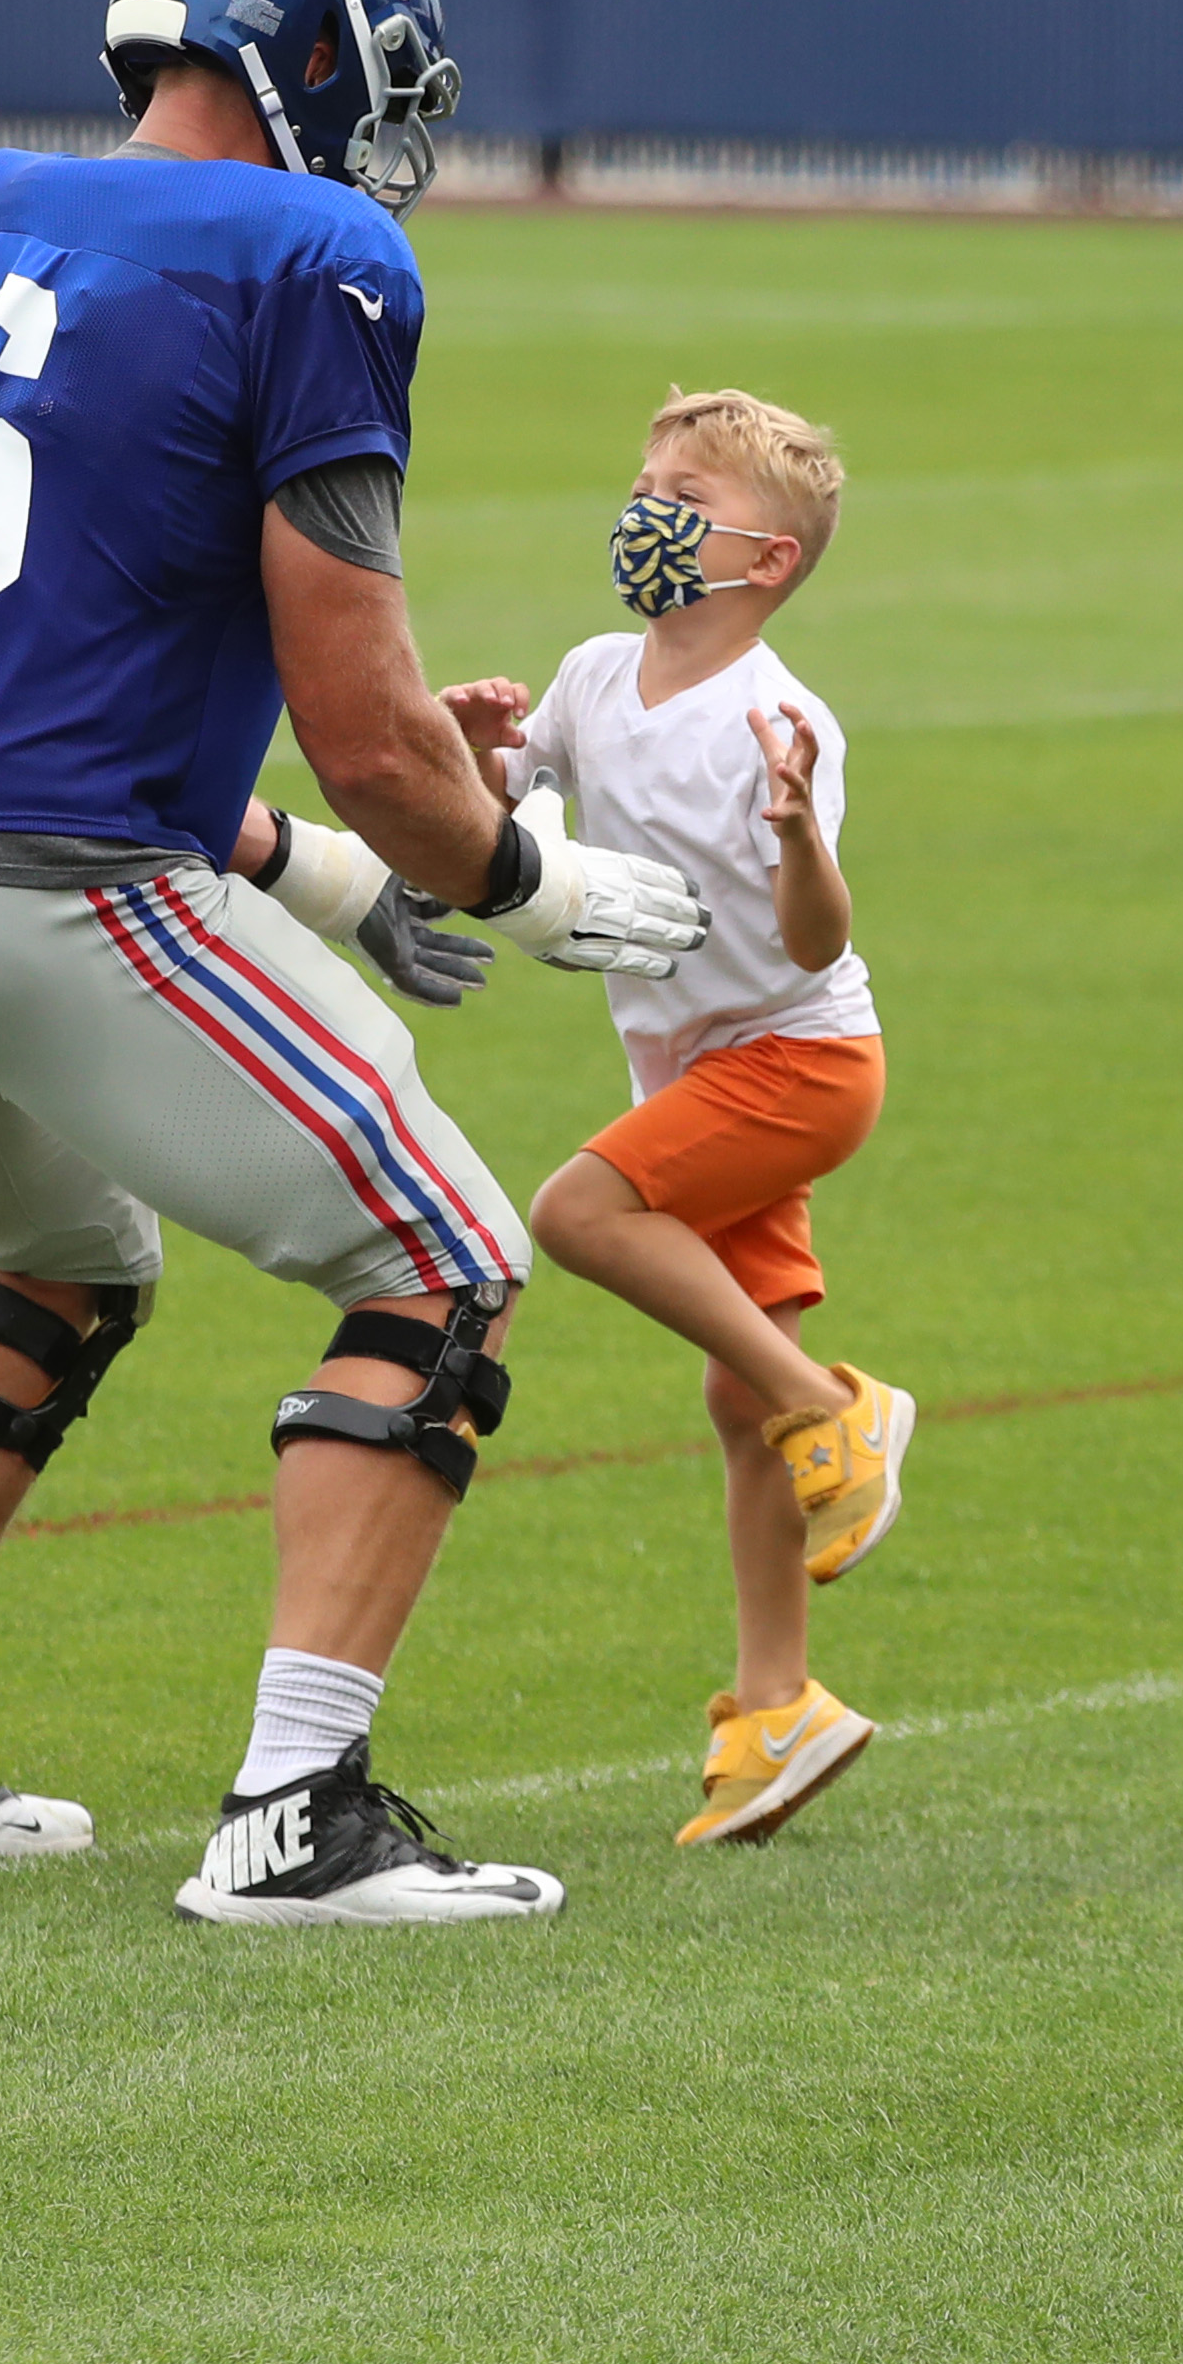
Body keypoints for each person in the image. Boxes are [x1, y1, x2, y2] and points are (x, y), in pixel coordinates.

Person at [0, 0, 715, 1927]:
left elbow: (25, 660)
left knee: (59, 1252)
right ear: (324, 47)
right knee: (442, 1259)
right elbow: (363, 718)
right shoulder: (315, 250)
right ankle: (297, 1815)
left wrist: (336, 869)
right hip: (37, 896)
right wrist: (513, 872)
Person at [440, 388, 911, 1851]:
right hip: (695, 1072)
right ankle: (780, 1710)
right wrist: (474, 748)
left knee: (579, 1212)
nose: (643, 513)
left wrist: (791, 833)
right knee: (729, 1390)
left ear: (765, 561)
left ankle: (843, 1415)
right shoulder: (592, 677)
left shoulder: (778, 718)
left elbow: (820, 939)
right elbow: (495, 833)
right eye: (645, 483)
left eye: (682, 499)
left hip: (797, 1060)